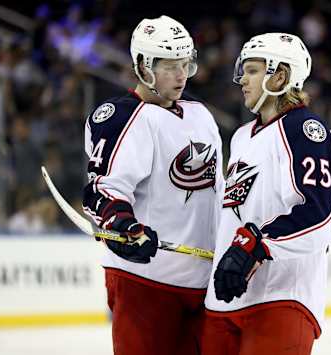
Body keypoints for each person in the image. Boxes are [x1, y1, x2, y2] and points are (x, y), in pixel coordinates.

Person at [81, 15, 224, 355]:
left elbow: (218, 191)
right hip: (146, 282)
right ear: (144, 67)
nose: (180, 75)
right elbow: (103, 190)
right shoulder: (122, 115)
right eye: (170, 65)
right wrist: (121, 225)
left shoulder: (201, 115)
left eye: (185, 64)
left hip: (202, 285)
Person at [202, 33, 331, 355]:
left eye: (252, 70)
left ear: (280, 75)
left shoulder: (305, 129)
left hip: (281, 299)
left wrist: (255, 245)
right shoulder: (241, 137)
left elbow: (318, 217)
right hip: (225, 296)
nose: (242, 80)